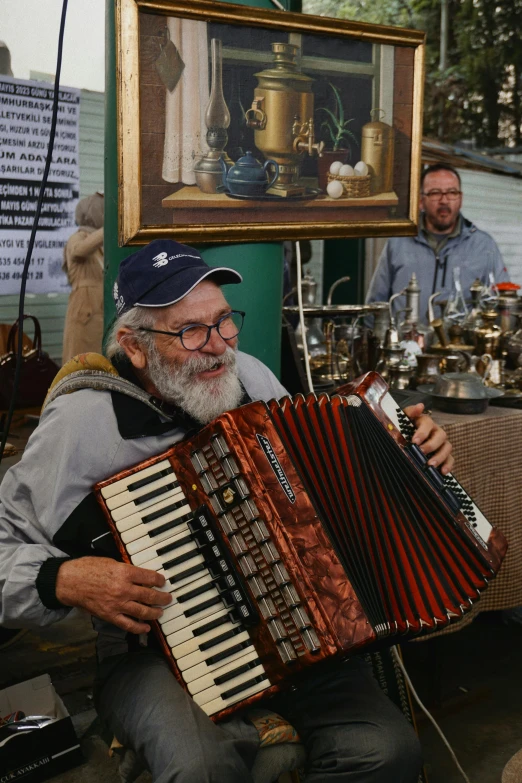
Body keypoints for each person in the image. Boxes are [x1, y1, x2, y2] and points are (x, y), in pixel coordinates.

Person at [0, 239, 455, 783]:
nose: (217, 347)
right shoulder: (82, 423)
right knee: (201, 769)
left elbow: (323, 486)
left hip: (294, 631)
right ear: (135, 346)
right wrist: (61, 578)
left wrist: (411, 452)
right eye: (190, 331)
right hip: (148, 655)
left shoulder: (254, 379)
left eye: (224, 322)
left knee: (386, 750)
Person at [366, 162, 510, 321]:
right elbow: (375, 306)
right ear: (421, 201)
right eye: (435, 193)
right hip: (406, 344)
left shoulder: (483, 246)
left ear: (460, 199)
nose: (444, 200)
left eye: (452, 192)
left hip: (462, 345)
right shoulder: (398, 242)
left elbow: (502, 304)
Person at [62, 192, 104, 364]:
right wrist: (108, 226)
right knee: (80, 360)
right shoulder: (78, 237)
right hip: (85, 307)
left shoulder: (98, 242)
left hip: (97, 307)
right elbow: (79, 250)